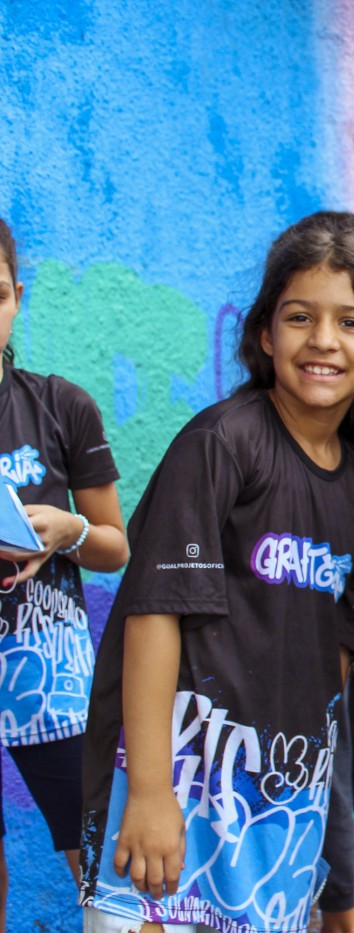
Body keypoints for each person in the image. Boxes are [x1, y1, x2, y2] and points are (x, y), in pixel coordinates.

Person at [78, 211, 354, 933]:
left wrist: (335, 874)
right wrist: (150, 792)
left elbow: (342, 652)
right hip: (177, 786)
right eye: (300, 317)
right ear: (265, 333)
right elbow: (154, 614)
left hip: (276, 810)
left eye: (351, 322)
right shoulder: (220, 445)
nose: (323, 340)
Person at [0, 219, 129, 926]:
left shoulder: (60, 404)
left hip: (50, 675)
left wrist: (67, 529)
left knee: (97, 857)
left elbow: (115, 545)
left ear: (17, 296)